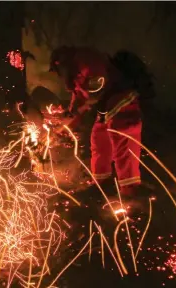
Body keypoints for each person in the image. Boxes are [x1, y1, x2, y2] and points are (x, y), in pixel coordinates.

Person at [49, 46, 155, 198]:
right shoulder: (75, 73)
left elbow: (97, 90)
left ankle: (130, 192)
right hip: (107, 107)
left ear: (61, 63)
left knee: (123, 142)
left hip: (123, 101)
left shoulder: (86, 61)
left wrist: (83, 106)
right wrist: (62, 126)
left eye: (57, 71)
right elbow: (78, 101)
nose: (59, 76)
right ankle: (102, 186)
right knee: (99, 141)